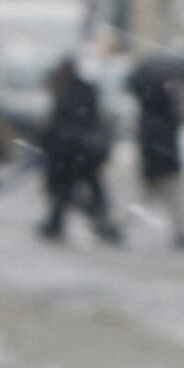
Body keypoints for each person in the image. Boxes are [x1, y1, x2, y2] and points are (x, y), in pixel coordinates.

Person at [37, 57, 121, 243]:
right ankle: (100, 222)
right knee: (86, 190)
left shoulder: (65, 92)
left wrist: (48, 139)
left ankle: (59, 224)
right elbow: (93, 119)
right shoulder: (85, 90)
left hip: (69, 152)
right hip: (86, 151)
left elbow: (58, 123)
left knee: (64, 192)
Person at [129, 65, 184, 249]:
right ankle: (181, 233)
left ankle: (181, 233)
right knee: (168, 199)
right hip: (163, 163)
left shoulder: (148, 109)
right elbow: (165, 137)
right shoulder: (161, 111)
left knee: (152, 199)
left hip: (157, 163)